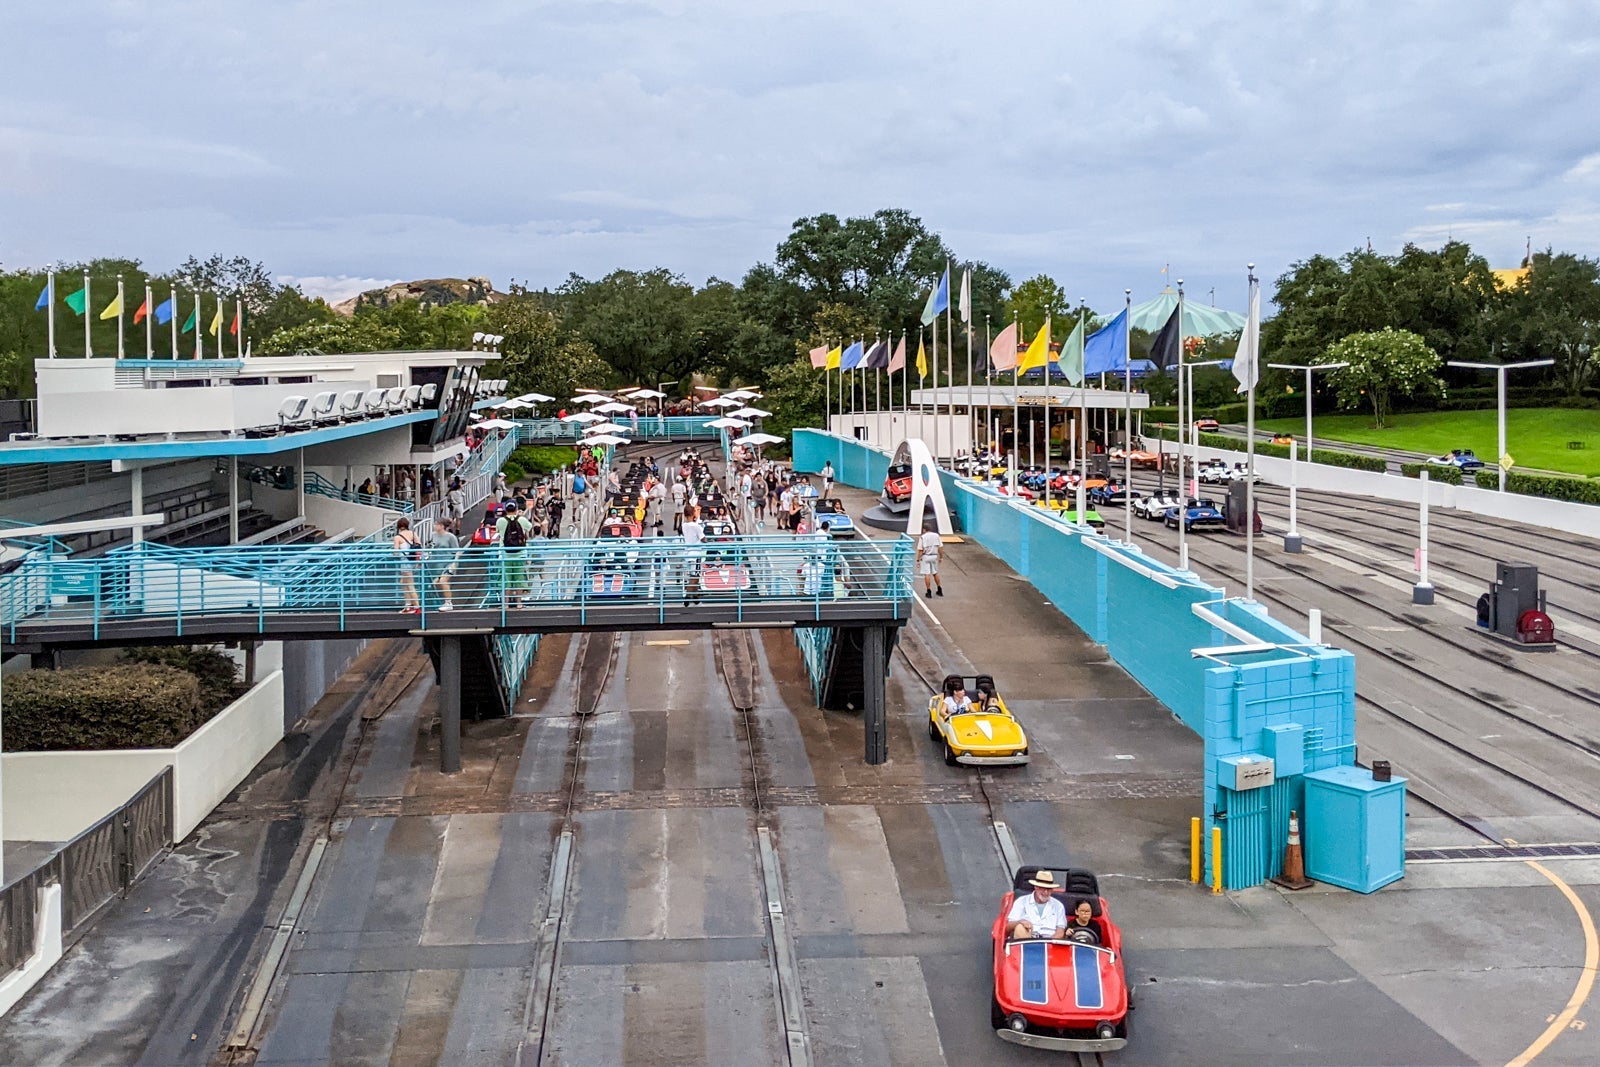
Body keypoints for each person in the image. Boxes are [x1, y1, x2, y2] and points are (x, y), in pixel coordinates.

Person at [1007, 871, 1067, 940]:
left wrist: (1047, 943)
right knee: (1020, 927)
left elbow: (1060, 932)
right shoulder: (1021, 902)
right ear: (1036, 887)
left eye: (1049, 889)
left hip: (1050, 943)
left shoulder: (1058, 906)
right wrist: (1020, 922)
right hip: (1026, 940)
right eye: (1043, 888)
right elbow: (1008, 927)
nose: (1046, 892)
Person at [393, 517, 423, 613]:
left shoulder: (397, 537)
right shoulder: (413, 534)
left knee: (410, 584)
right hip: (413, 561)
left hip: (405, 562)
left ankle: (417, 607)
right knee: (403, 582)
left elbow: (396, 552)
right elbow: (419, 546)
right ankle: (408, 605)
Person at [431, 519, 460, 611]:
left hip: (449, 563)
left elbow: (457, 551)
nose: (434, 526)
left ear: (442, 526)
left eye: (436, 524)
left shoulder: (450, 537)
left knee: (443, 581)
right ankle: (436, 602)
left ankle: (448, 603)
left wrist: (454, 563)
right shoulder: (432, 536)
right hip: (437, 564)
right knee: (434, 584)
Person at [917, 521, 943, 598]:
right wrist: (941, 557)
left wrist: (918, 560)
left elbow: (920, 550)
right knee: (935, 573)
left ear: (924, 529)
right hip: (934, 556)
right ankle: (939, 589)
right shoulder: (936, 536)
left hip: (926, 556)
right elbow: (940, 547)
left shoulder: (923, 537)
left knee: (927, 574)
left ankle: (929, 591)